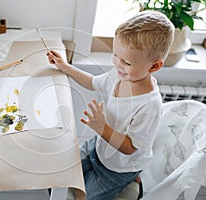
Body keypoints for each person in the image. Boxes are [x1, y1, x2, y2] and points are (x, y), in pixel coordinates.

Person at [47, 10, 175, 199]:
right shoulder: (120, 74)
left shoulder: (149, 105)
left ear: (154, 66)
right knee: (56, 181)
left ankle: (132, 179)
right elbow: (92, 82)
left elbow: (130, 148)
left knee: (83, 197)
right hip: (99, 147)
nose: (117, 64)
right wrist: (65, 67)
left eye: (127, 62)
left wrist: (102, 128)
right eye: (115, 55)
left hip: (119, 168)